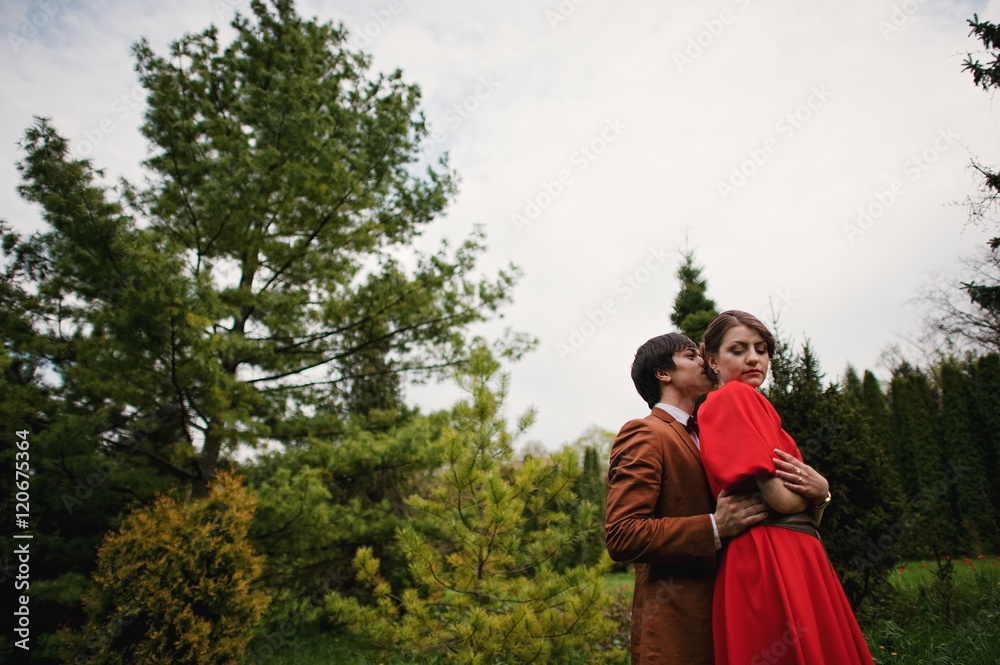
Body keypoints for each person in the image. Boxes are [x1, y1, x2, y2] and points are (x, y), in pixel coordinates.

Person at [697, 310, 875, 665]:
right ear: (712, 360)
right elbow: (780, 500)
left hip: (787, 550)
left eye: (762, 349)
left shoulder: (757, 406)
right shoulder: (733, 398)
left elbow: (805, 510)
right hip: (772, 555)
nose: (754, 358)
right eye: (738, 349)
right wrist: (819, 492)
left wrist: (819, 492)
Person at [604, 332, 771, 664]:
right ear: (663, 373)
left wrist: (819, 494)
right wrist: (714, 526)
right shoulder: (645, 433)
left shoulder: (710, 433)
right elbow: (623, 534)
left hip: (734, 618)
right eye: (692, 356)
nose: (704, 362)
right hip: (678, 631)